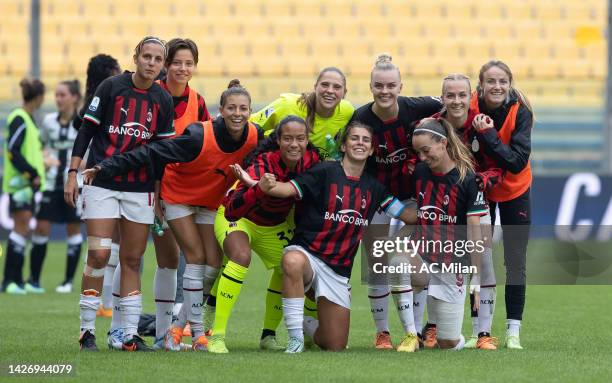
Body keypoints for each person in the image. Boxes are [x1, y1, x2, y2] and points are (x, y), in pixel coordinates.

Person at [82, 80, 261, 351]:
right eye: (232, 107)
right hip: (179, 197)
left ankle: (177, 328)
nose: (238, 113)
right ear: (220, 111)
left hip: (210, 202)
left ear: (250, 111)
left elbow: (281, 144)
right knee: (196, 259)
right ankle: (198, 333)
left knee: (215, 262)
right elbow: (153, 151)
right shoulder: (198, 135)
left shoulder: (254, 136)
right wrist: (106, 166)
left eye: (243, 108)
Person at [240, 122, 415, 353]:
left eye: (365, 140)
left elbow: (406, 215)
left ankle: (304, 323)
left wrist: (440, 209)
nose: (359, 143)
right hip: (308, 256)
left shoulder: (375, 188)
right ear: (343, 145)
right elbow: (287, 190)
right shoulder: (324, 171)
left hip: (338, 271)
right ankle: (295, 339)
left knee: (334, 344)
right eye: (354, 138)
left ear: (372, 150)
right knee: (292, 261)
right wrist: (258, 184)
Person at [65, 36, 175, 352]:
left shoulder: (162, 100)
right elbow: (85, 130)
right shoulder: (111, 87)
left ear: (161, 65)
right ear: (136, 57)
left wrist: (158, 196)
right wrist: (72, 174)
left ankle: (128, 335)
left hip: (140, 190)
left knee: (131, 258)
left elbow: (161, 155)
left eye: (157, 59)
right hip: (101, 183)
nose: (152, 63)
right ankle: (87, 330)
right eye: (147, 57)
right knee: (100, 253)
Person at [350, 54, 442, 350]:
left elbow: (453, 104)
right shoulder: (361, 118)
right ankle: (383, 332)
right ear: (370, 86)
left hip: (413, 198)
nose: (385, 91)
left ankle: (419, 330)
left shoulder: (421, 107)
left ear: (401, 86)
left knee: (414, 262)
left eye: (391, 85)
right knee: (377, 263)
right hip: (376, 199)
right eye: (379, 85)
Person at [209, 115, 320, 353]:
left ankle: (268, 336)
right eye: (287, 138)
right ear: (278, 140)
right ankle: (216, 336)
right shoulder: (263, 164)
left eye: (300, 139)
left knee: (290, 265)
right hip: (240, 219)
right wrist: (258, 188)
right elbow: (232, 209)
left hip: (276, 226)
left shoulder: (312, 161)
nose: (294, 144)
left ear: (307, 140)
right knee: (240, 256)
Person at [427, 73, 503, 350]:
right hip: (441, 207)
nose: (456, 100)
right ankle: (433, 329)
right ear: (443, 96)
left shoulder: (481, 125)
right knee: (435, 265)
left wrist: (480, 181)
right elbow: (420, 158)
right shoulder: (433, 125)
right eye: (450, 95)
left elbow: (499, 167)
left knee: (483, 263)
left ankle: (482, 334)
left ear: (469, 96)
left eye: (462, 95)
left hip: (475, 204)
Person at [144, 37, 212, 348]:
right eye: (177, 62)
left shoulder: (197, 101)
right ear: (166, 64)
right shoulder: (151, 95)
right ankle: (124, 329)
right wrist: (155, 191)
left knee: (175, 260)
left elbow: (206, 146)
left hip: (183, 191)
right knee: (135, 256)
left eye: (189, 63)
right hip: (148, 186)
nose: (183, 68)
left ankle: (164, 335)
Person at [407, 117, 488, 350]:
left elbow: (474, 229)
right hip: (422, 256)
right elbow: (417, 212)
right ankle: (411, 335)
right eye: (418, 152)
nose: (422, 158)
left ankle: (444, 334)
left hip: (452, 264)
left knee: (448, 344)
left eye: (425, 150)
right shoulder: (421, 172)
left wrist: (477, 274)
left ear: (442, 143)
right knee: (399, 266)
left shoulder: (469, 179)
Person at [470, 60, 533, 350]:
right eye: (491, 81)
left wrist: (489, 135)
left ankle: (513, 332)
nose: (496, 86)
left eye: (502, 81)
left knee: (515, 262)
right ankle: (477, 331)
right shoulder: (468, 104)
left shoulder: (521, 111)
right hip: (480, 189)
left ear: (509, 83)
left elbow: (517, 162)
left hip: (514, 189)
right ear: (480, 85)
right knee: (476, 258)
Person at [72, 54, 121, 313]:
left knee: (106, 245)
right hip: (98, 175)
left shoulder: (89, 104)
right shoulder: (106, 100)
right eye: (116, 69)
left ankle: (105, 302)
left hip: (96, 174)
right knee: (106, 245)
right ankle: (104, 303)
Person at [27, 79, 84, 294]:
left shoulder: (83, 123)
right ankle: (34, 280)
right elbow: (39, 146)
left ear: (74, 98)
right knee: (42, 228)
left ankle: (68, 281)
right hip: (50, 183)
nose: (58, 99)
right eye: (57, 95)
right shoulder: (49, 121)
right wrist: (44, 158)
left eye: (63, 95)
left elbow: (89, 152)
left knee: (73, 229)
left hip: (74, 184)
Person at [1, 78, 46, 295]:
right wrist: (32, 173)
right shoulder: (19, 118)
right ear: (39, 97)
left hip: (26, 185)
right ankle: (10, 280)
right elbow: (13, 150)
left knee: (23, 229)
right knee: (20, 230)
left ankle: (16, 280)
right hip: (21, 184)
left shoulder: (27, 118)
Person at [250, 67, 353, 155]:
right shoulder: (286, 104)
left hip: (311, 172)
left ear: (344, 92)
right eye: (325, 85)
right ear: (315, 87)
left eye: (337, 87)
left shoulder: (347, 112)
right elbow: (251, 126)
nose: (330, 91)